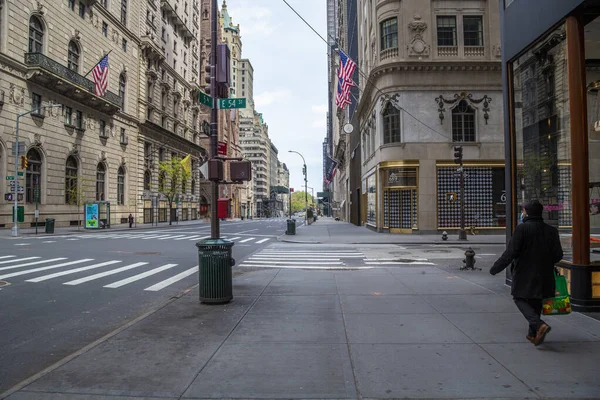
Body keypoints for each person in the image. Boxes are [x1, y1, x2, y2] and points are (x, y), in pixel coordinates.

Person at [490, 200, 563, 346]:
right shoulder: (551, 230)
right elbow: (558, 255)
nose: (522, 213)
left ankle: (539, 324)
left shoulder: (522, 229)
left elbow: (511, 253)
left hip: (525, 272)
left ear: (527, 212)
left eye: (523, 211)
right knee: (536, 301)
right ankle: (533, 334)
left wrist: (495, 268)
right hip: (545, 273)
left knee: (519, 298)